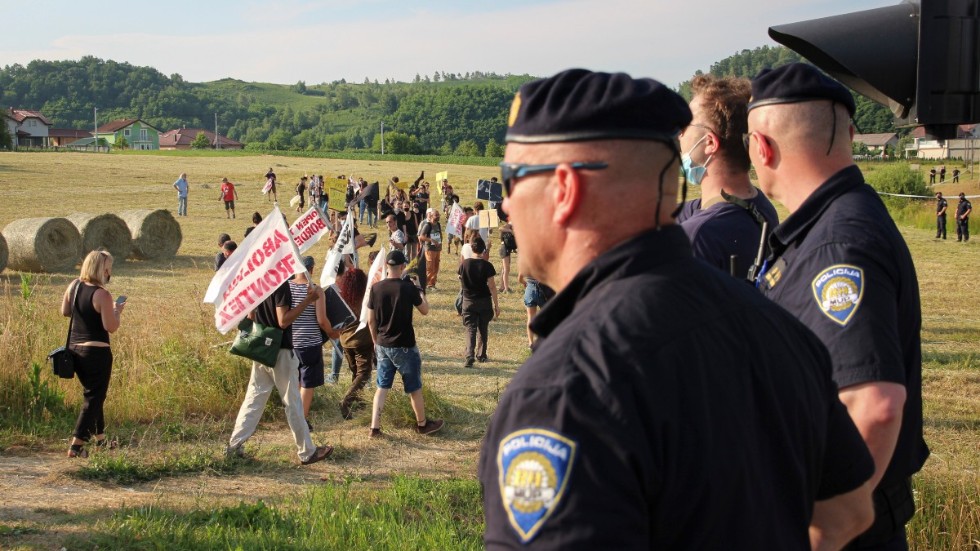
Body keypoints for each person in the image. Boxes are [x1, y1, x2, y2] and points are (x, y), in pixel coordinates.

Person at [480, 68, 875, 549]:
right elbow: (847, 512)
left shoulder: (565, 391)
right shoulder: (779, 326)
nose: (503, 205)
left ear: (564, 190)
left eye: (511, 179)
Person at [746, 63, 928, 548]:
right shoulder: (836, 222)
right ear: (850, 131)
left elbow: (875, 406)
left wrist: (820, 532)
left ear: (760, 147)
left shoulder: (836, 244)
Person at [675, 74, 778, 281]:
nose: (680, 135)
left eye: (685, 126)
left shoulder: (698, 236)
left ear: (710, 143)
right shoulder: (761, 207)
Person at [226, 277, 333, 465]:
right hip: (281, 350)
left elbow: (251, 316)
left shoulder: (258, 282)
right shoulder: (280, 284)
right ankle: (307, 452)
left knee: (254, 399)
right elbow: (283, 321)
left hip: (261, 349)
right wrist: (308, 301)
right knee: (293, 402)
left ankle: (234, 446)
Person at [366, 250, 444, 437]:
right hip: (405, 345)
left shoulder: (376, 288)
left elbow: (371, 321)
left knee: (382, 387)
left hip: (383, 344)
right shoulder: (408, 287)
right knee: (414, 387)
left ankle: (374, 428)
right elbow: (424, 310)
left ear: (387, 267)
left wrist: (376, 342)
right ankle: (422, 425)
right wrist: (419, 289)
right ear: (402, 267)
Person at [60, 250, 125, 458]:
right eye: (109, 268)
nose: (110, 272)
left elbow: (65, 311)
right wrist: (116, 312)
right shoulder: (102, 294)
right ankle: (76, 446)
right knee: (94, 398)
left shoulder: (74, 285)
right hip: (96, 352)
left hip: (75, 351)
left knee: (94, 395)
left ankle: (101, 439)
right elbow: (111, 327)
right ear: (103, 269)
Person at [288, 256, 340, 428]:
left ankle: (294, 415)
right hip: (310, 342)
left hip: (291, 342)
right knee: (307, 383)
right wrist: (332, 333)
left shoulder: (287, 288)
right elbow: (322, 320)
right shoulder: (316, 290)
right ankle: (301, 421)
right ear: (311, 269)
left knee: (295, 382)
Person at [335, 255, 374, 420]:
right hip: (362, 340)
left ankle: (357, 399)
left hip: (345, 340)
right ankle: (347, 401)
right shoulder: (365, 298)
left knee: (355, 372)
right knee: (363, 373)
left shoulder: (341, 296)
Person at [458, 236, 500, 368]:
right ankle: (481, 354)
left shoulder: (464, 264)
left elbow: (460, 278)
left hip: (468, 300)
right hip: (484, 301)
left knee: (470, 328)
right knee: (483, 328)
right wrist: (496, 305)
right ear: (483, 250)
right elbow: (492, 286)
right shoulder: (487, 266)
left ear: (472, 248)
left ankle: (469, 354)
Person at [518, 272, 552, 348]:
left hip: (530, 288)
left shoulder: (527, 262)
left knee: (530, 317)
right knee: (546, 317)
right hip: (543, 289)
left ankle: (531, 342)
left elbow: (520, 278)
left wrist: (524, 282)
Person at [418, 208, 443, 290]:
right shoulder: (427, 225)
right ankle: (428, 284)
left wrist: (440, 242)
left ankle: (433, 283)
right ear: (431, 216)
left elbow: (440, 234)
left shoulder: (438, 224)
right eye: (436, 215)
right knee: (430, 267)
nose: (438, 216)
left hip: (437, 249)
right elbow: (421, 236)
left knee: (436, 266)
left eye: (438, 214)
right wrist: (431, 240)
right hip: (429, 249)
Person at [498, 222, 516, 292]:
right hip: (504, 249)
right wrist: (510, 231)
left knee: (504, 269)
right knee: (506, 269)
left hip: (507, 249)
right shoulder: (510, 224)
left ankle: (502, 287)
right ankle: (506, 288)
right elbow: (500, 228)